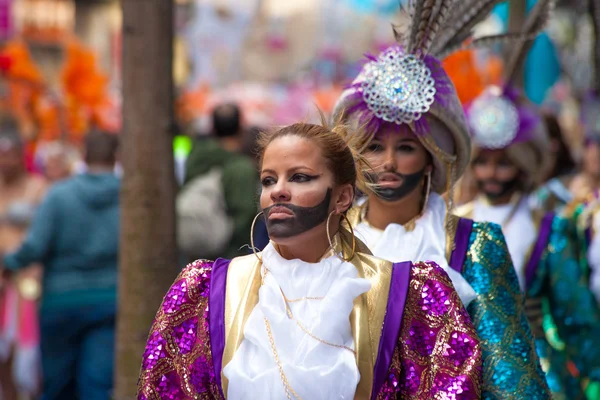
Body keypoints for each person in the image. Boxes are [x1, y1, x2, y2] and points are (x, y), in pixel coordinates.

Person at [137, 118, 483, 399]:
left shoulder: (407, 294)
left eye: (300, 177)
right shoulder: (208, 292)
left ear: (342, 197)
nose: (279, 190)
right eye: (268, 180)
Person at [332, 2, 550, 398]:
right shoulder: (328, 240)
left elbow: (510, 375)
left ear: (432, 156)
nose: (389, 163)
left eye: (407, 147)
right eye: (375, 146)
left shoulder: (473, 245)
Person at [456, 23, 600, 398]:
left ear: (524, 163)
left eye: (503, 163)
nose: (491, 174)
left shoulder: (549, 226)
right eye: (483, 163)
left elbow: (574, 313)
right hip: (464, 371)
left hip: (536, 373)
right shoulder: (454, 221)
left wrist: (595, 372)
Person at [1, 130, 120, 400]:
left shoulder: (59, 196)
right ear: (115, 157)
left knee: (57, 385)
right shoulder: (129, 198)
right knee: (97, 384)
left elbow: (35, 246)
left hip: (61, 300)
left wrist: (9, 264)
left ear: (84, 156)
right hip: (109, 300)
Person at [0, 121, 47, 399]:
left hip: (27, 286)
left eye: (10, 154)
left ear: (22, 155)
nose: (5, 161)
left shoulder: (39, 188)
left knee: (26, 360)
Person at [181, 103, 258, 259]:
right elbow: (244, 216)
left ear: (213, 129)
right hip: (226, 259)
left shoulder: (195, 158)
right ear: (240, 129)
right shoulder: (241, 168)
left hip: (194, 252)